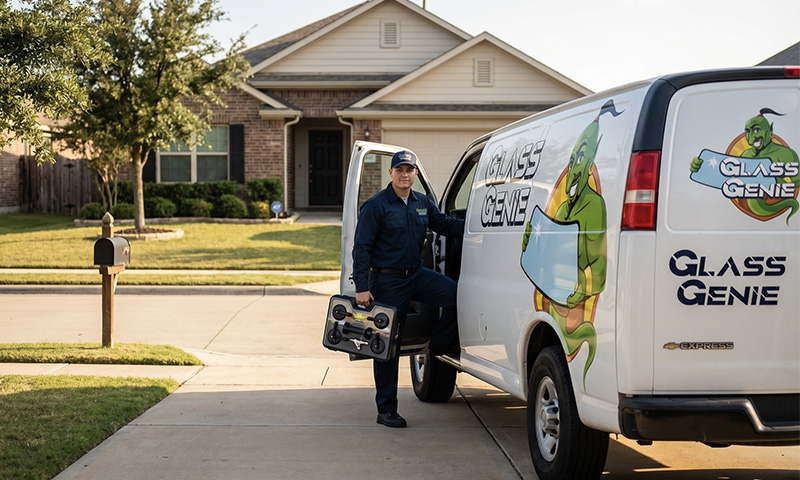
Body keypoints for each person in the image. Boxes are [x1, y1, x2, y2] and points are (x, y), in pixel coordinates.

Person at [352, 150, 464, 428]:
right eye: (400, 170)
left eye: (409, 170)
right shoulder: (376, 206)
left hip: (417, 275)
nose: (405, 174)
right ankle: (386, 410)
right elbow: (362, 248)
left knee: (457, 297)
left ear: (415, 173)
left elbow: (445, 225)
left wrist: (480, 226)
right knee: (388, 344)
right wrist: (362, 287)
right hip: (387, 282)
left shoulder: (422, 202)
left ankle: (438, 346)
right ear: (390, 173)